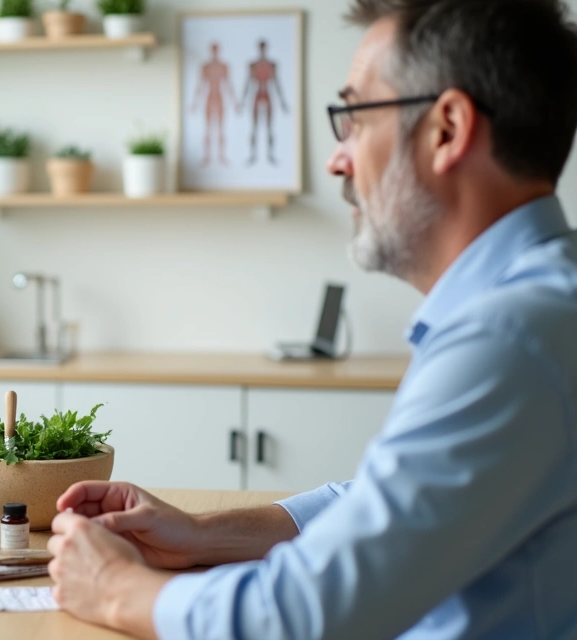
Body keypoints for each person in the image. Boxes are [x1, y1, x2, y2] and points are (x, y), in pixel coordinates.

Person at [47, 0, 577, 637]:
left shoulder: (509, 338)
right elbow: (390, 505)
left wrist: (113, 589)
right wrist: (201, 536)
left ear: (447, 129)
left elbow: (307, 615)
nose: (337, 160)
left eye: (353, 119)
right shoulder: (536, 308)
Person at [237, 40, 289, 166]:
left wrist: (283, 102)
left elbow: (277, 83)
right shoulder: (252, 65)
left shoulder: (272, 65)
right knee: (254, 127)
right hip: (257, 95)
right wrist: (242, 102)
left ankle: (270, 155)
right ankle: (253, 155)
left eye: (264, 48)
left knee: (269, 127)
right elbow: (247, 83)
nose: (262, 50)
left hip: (267, 95)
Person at [191, 42, 238, 167]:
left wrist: (234, 102)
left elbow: (229, 85)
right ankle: (207, 156)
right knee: (208, 129)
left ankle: (221, 156)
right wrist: (194, 103)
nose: (215, 51)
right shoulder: (205, 67)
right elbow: (200, 86)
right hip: (209, 98)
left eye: (216, 49)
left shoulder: (224, 66)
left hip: (220, 98)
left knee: (221, 129)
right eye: (213, 49)